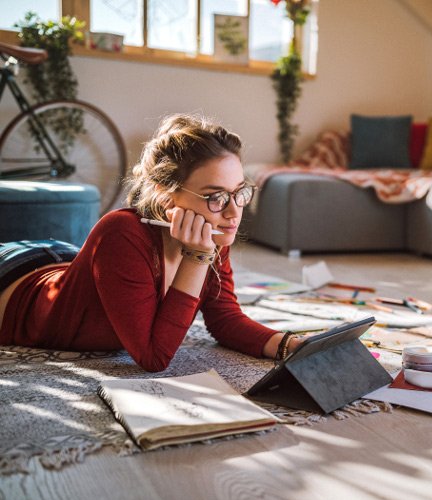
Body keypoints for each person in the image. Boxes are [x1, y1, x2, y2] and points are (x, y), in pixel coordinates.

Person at [0, 113, 302, 371]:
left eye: (239, 192)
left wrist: (288, 344)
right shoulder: (121, 232)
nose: (234, 210)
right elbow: (153, 357)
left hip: (62, 259)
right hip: (12, 282)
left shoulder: (212, 230)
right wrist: (196, 258)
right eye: (215, 196)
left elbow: (224, 318)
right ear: (165, 194)